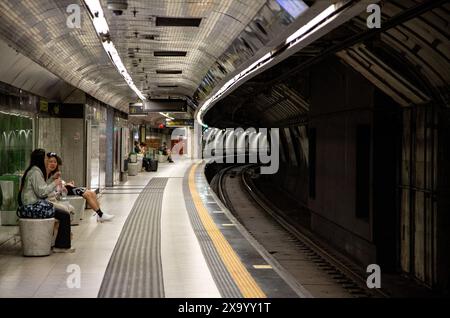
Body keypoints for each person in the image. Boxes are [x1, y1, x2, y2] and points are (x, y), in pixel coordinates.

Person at [18, 149, 74, 253]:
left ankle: (60, 244)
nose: (47, 160)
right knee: (64, 215)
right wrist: (55, 183)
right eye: (45, 158)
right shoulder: (35, 172)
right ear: (40, 159)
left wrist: (52, 178)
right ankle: (61, 246)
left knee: (63, 213)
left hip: (33, 204)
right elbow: (42, 193)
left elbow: (41, 188)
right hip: (32, 206)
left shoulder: (35, 171)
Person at [46, 153, 114, 222]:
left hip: (66, 188)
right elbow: (53, 187)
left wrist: (66, 183)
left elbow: (59, 184)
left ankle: (100, 214)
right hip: (63, 192)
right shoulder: (47, 173)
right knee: (87, 194)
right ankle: (101, 215)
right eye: (50, 162)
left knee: (92, 193)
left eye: (55, 162)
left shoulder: (55, 172)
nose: (53, 164)